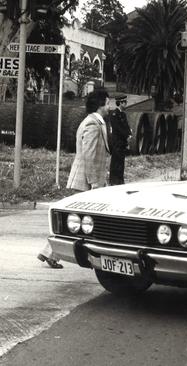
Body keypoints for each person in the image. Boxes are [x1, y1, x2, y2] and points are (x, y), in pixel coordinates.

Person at [37, 89, 111, 269]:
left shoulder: (94, 122)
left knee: (77, 222)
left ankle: (49, 252)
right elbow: (90, 155)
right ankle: (50, 252)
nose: (110, 106)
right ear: (101, 105)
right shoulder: (93, 124)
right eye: (108, 103)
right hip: (87, 180)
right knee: (77, 222)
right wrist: (95, 183)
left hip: (89, 179)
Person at [109, 94, 132, 185]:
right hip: (117, 142)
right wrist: (127, 135)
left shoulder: (123, 114)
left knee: (121, 162)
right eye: (124, 102)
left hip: (122, 142)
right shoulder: (114, 114)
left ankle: (120, 181)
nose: (126, 104)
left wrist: (129, 135)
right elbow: (118, 128)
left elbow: (126, 126)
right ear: (120, 103)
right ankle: (114, 181)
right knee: (116, 162)